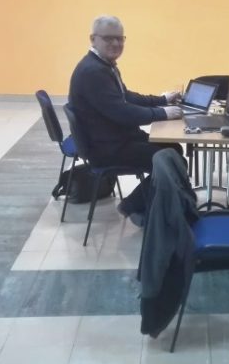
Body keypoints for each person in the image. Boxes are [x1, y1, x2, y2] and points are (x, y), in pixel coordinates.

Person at [68, 15, 185, 222]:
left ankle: (146, 206)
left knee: (173, 150)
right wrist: (163, 113)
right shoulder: (93, 72)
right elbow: (122, 113)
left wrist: (162, 100)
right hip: (107, 149)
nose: (116, 43)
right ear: (93, 39)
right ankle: (135, 206)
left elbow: (125, 97)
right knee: (173, 160)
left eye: (120, 38)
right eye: (109, 38)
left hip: (114, 140)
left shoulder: (104, 65)